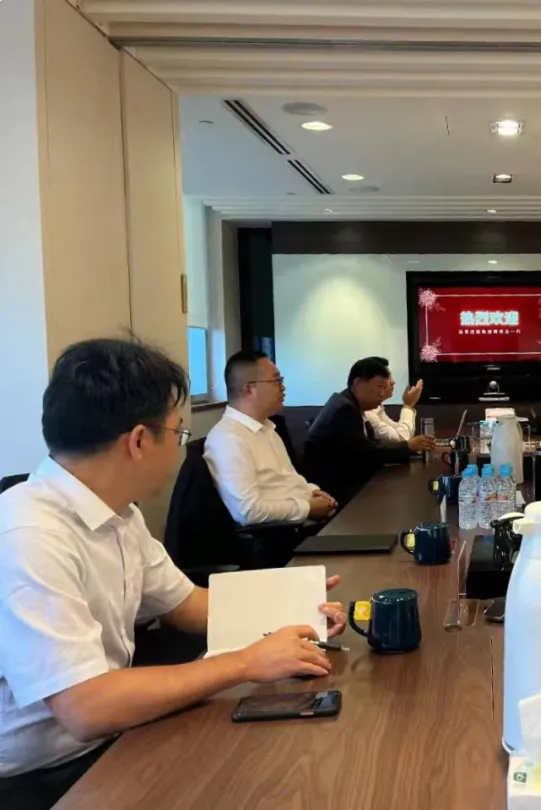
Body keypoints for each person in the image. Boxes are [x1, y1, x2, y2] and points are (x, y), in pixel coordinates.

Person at [0, 339, 347, 809]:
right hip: (42, 778)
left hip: (112, 738)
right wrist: (246, 663)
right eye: (178, 433)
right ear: (139, 441)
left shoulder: (119, 514)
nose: (181, 449)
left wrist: (297, 608)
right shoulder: (28, 534)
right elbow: (87, 706)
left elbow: (189, 605)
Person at [205, 351, 337, 525]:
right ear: (249, 389)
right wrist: (308, 507)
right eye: (276, 381)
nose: (283, 387)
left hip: (305, 521)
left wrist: (312, 491)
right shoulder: (229, 440)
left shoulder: (267, 428)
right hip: (284, 534)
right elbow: (248, 511)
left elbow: (288, 479)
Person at [305, 358, 436, 504]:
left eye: (384, 387)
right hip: (335, 494)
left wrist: (408, 447)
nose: (382, 394)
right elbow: (366, 453)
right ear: (358, 383)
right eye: (379, 387)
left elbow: (370, 445)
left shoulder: (350, 404)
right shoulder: (344, 409)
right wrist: (408, 446)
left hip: (348, 484)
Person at [362, 356, 423, 442]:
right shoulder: (367, 412)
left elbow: (398, 431)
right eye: (388, 378)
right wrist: (408, 405)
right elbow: (402, 438)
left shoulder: (376, 408)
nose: (393, 382)